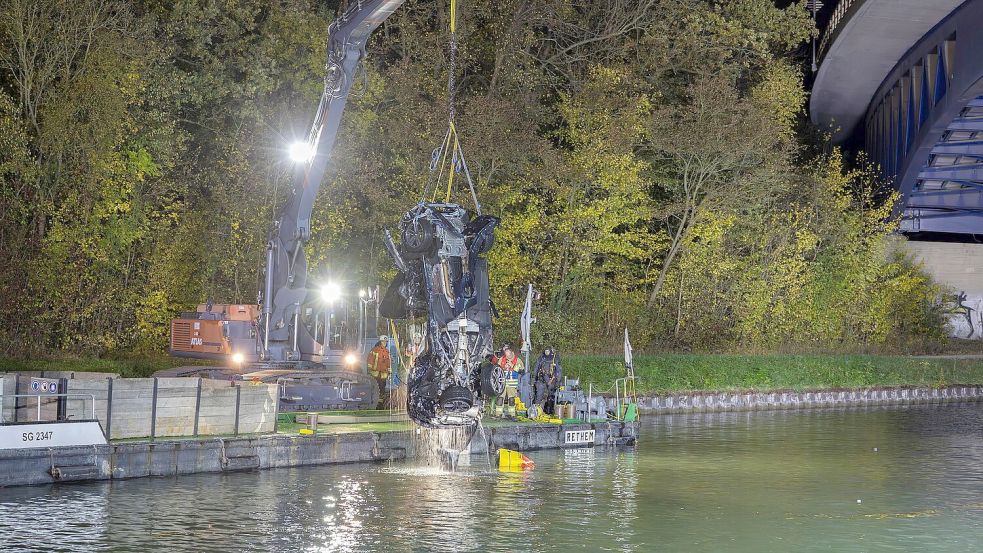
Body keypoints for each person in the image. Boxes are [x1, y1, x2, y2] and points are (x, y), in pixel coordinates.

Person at [496, 343, 524, 416]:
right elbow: (497, 369)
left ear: (512, 353)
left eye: (508, 354)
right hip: (502, 382)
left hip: (512, 383)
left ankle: (512, 414)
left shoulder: (518, 360)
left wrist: (513, 366)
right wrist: (503, 367)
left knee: (511, 399)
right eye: (506, 354)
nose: (507, 356)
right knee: (500, 398)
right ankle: (498, 414)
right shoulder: (502, 359)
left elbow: (522, 371)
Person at [533, 347, 562, 415]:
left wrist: (558, 380)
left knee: (551, 397)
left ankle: (550, 411)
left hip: (551, 380)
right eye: (545, 351)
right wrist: (534, 378)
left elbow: (559, 370)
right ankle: (536, 411)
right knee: (539, 396)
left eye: (547, 351)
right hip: (541, 380)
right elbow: (536, 368)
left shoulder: (555, 358)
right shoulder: (541, 358)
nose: (546, 352)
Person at [367, 336, 392, 409]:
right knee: (374, 389)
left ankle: (380, 405)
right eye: (383, 342)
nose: (384, 343)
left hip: (383, 375)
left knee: (382, 390)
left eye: (385, 342)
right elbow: (370, 360)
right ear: (380, 342)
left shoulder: (387, 352)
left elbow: (388, 364)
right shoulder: (375, 350)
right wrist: (369, 369)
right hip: (375, 374)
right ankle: (373, 404)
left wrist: (390, 373)